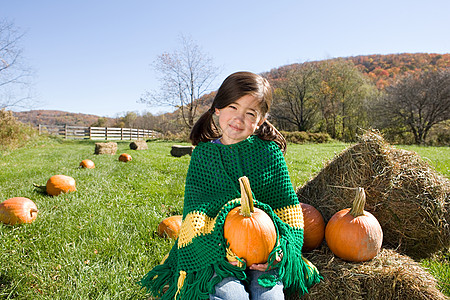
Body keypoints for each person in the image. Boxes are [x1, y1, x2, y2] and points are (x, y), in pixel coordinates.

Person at [139, 71, 321, 299]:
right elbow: (196, 215)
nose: (238, 118)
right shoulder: (204, 156)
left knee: (270, 296)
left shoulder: (269, 154)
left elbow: (287, 211)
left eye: (250, 113)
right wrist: (221, 253)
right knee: (231, 296)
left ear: (260, 121)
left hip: (264, 254)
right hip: (217, 251)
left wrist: (280, 251)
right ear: (218, 108)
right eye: (233, 107)